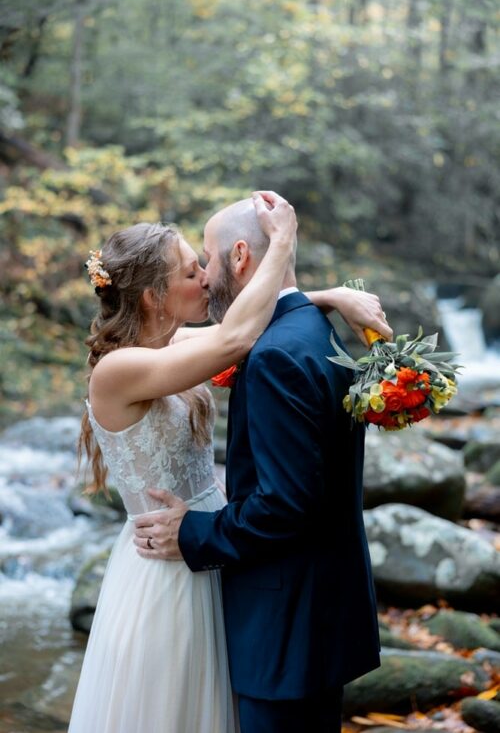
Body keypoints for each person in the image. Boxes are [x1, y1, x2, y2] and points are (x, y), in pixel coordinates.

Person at [69, 191, 390, 733]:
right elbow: (239, 333)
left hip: (211, 548)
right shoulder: (119, 370)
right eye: (193, 270)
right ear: (153, 296)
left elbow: (250, 322)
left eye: (207, 263)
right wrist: (283, 243)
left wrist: (330, 295)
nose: (206, 278)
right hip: (168, 561)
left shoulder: (175, 345)